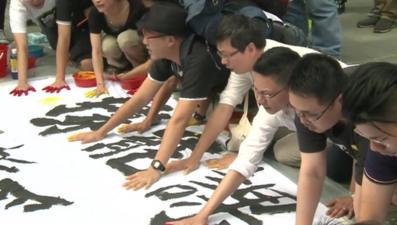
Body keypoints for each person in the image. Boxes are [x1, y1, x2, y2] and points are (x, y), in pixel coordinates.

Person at [68, 2, 230, 190]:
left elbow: (179, 119)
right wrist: (101, 132)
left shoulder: (198, 58)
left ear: (170, 39)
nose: (144, 42)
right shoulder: (167, 55)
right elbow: (140, 98)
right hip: (212, 90)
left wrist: (156, 167)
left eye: (148, 36)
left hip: (241, 95)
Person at [166, 15, 319, 176]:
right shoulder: (246, 64)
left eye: (227, 55)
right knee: (252, 136)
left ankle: (339, 155)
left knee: (282, 152)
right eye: (220, 55)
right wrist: (194, 157)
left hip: (328, 119)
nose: (223, 62)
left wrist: (244, 158)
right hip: (298, 117)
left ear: (250, 49)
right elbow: (224, 107)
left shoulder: (277, 65)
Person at [167, 46, 301, 225]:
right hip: (303, 119)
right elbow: (246, 160)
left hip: (336, 127)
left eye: (267, 94)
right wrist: (203, 215)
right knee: (279, 149)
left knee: (329, 161)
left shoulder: (314, 107)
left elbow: (312, 170)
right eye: (256, 91)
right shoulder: (270, 106)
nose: (260, 101)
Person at [287, 54, 369, 225]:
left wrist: (357, 197)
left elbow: (370, 201)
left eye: (310, 114)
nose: (302, 120)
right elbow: (312, 171)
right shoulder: (307, 107)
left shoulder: (369, 118)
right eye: (297, 111)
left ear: (339, 101)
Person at [341, 62, 397, 223]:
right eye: (368, 139)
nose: (375, 148)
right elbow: (370, 219)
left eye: (380, 139)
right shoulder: (382, 150)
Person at [9, 0, 93, 96]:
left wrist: (60, 78)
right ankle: (73, 55)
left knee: (87, 65)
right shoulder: (17, 3)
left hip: (76, 20)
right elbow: (21, 47)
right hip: (51, 26)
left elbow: (64, 37)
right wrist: (22, 82)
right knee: (65, 56)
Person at [86, 0, 149, 98]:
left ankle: (139, 70)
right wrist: (100, 84)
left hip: (140, 48)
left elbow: (153, 40)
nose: (97, 1)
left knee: (125, 39)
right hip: (117, 46)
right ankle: (118, 69)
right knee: (107, 45)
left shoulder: (137, 6)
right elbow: (96, 50)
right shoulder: (95, 13)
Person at [42, 0, 94, 93]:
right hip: (63, 26)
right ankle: (74, 55)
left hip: (87, 25)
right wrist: (60, 78)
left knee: (88, 64)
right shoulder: (63, 3)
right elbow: (63, 36)